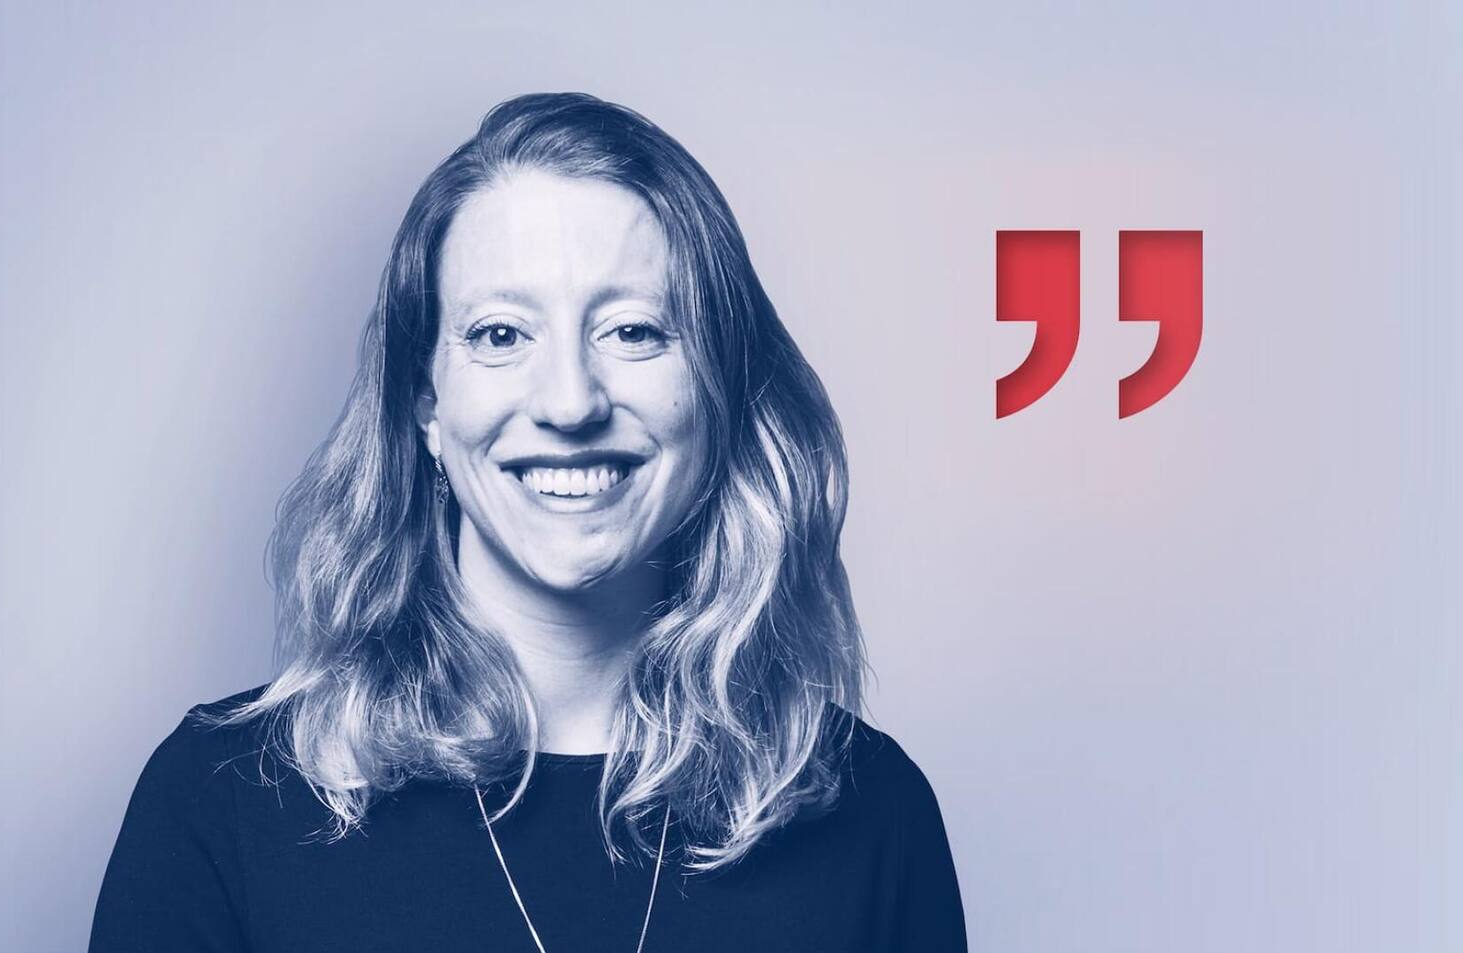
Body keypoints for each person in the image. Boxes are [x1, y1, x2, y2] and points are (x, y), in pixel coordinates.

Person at [89, 91, 968, 953]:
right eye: (501, 335)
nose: (570, 401)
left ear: (720, 390)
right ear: (427, 406)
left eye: (633, 331)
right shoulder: (220, 802)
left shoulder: (871, 812)